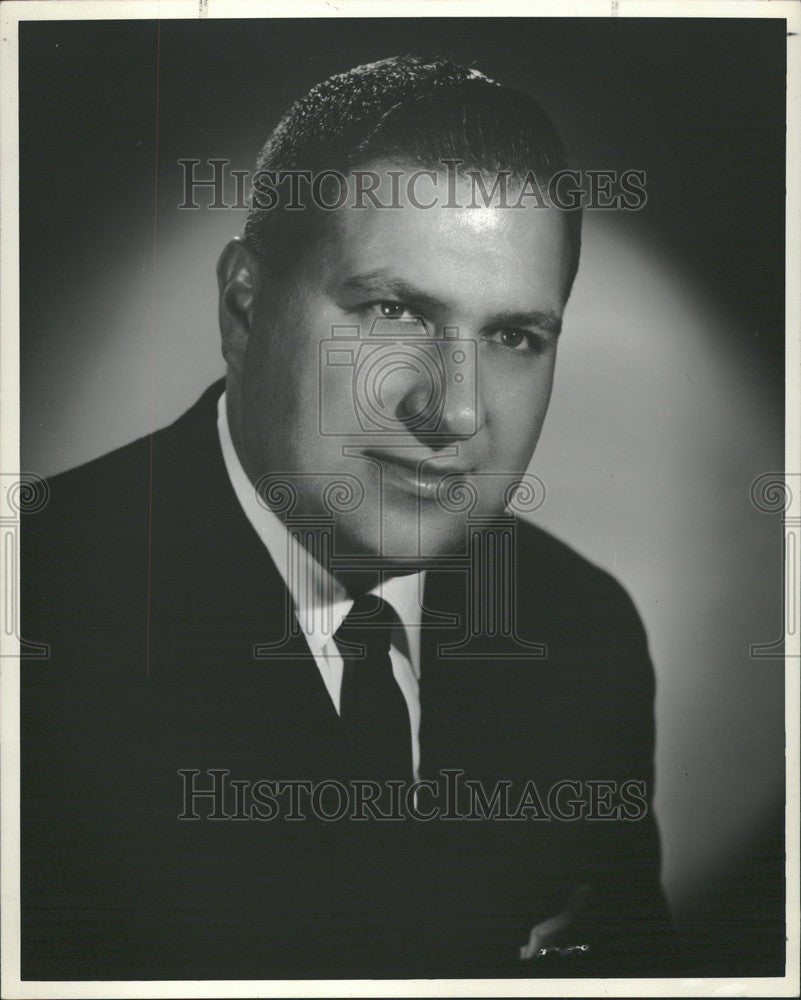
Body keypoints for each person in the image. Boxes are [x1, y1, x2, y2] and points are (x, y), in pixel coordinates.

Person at [21, 55, 674, 980]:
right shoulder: (34, 611)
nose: (451, 413)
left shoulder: (582, 635)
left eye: (513, 337)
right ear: (244, 309)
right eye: (394, 309)